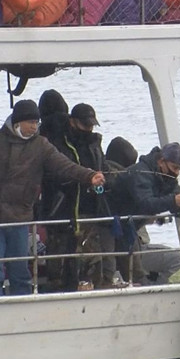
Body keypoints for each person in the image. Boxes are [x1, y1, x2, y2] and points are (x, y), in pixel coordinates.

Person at [0, 99, 105, 297]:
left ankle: (22, 306)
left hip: (20, 218)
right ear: (17, 122)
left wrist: (89, 176)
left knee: (20, 272)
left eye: (36, 122)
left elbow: (64, 166)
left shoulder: (41, 145)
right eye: (30, 122)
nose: (34, 127)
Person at [40, 101, 112, 290]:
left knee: (91, 260)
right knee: (61, 263)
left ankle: (91, 286)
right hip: (63, 210)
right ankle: (59, 290)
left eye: (91, 125)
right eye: (85, 125)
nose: (88, 129)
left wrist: (105, 179)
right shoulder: (57, 144)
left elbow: (105, 168)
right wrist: (83, 179)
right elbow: (53, 174)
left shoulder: (94, 144)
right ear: (72, 121)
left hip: (90, 210)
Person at [109, 142, 180, 284]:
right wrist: (174, 201)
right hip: (117, 230)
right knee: (136, 275)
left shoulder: (165, 176)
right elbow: (146, 203)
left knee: (175, 261)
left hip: (129, 232)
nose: (177, 173)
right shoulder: (140, 174)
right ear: (161, 161)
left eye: (179, 169)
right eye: (175, 168)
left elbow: (173, 192)